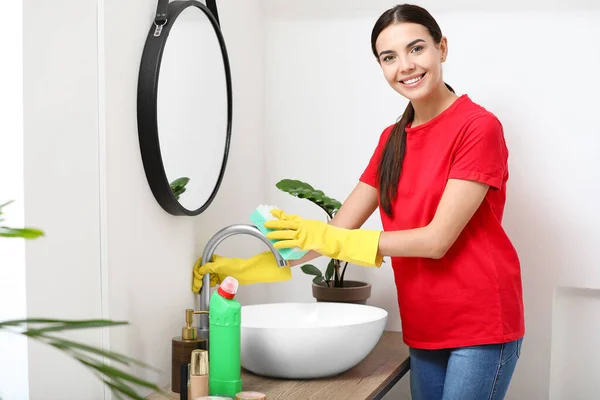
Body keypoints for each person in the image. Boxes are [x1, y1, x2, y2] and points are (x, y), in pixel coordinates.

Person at [193, 4, 524, 399]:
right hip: (424, 326)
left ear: (442, 48)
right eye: (390, 57)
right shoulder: (392, 139)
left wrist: (332, 239)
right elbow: (338, 230)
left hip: (480, 325)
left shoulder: (477, 127)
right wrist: (254, 266)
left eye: (416, 49)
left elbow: (437, 240)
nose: (406, 65)